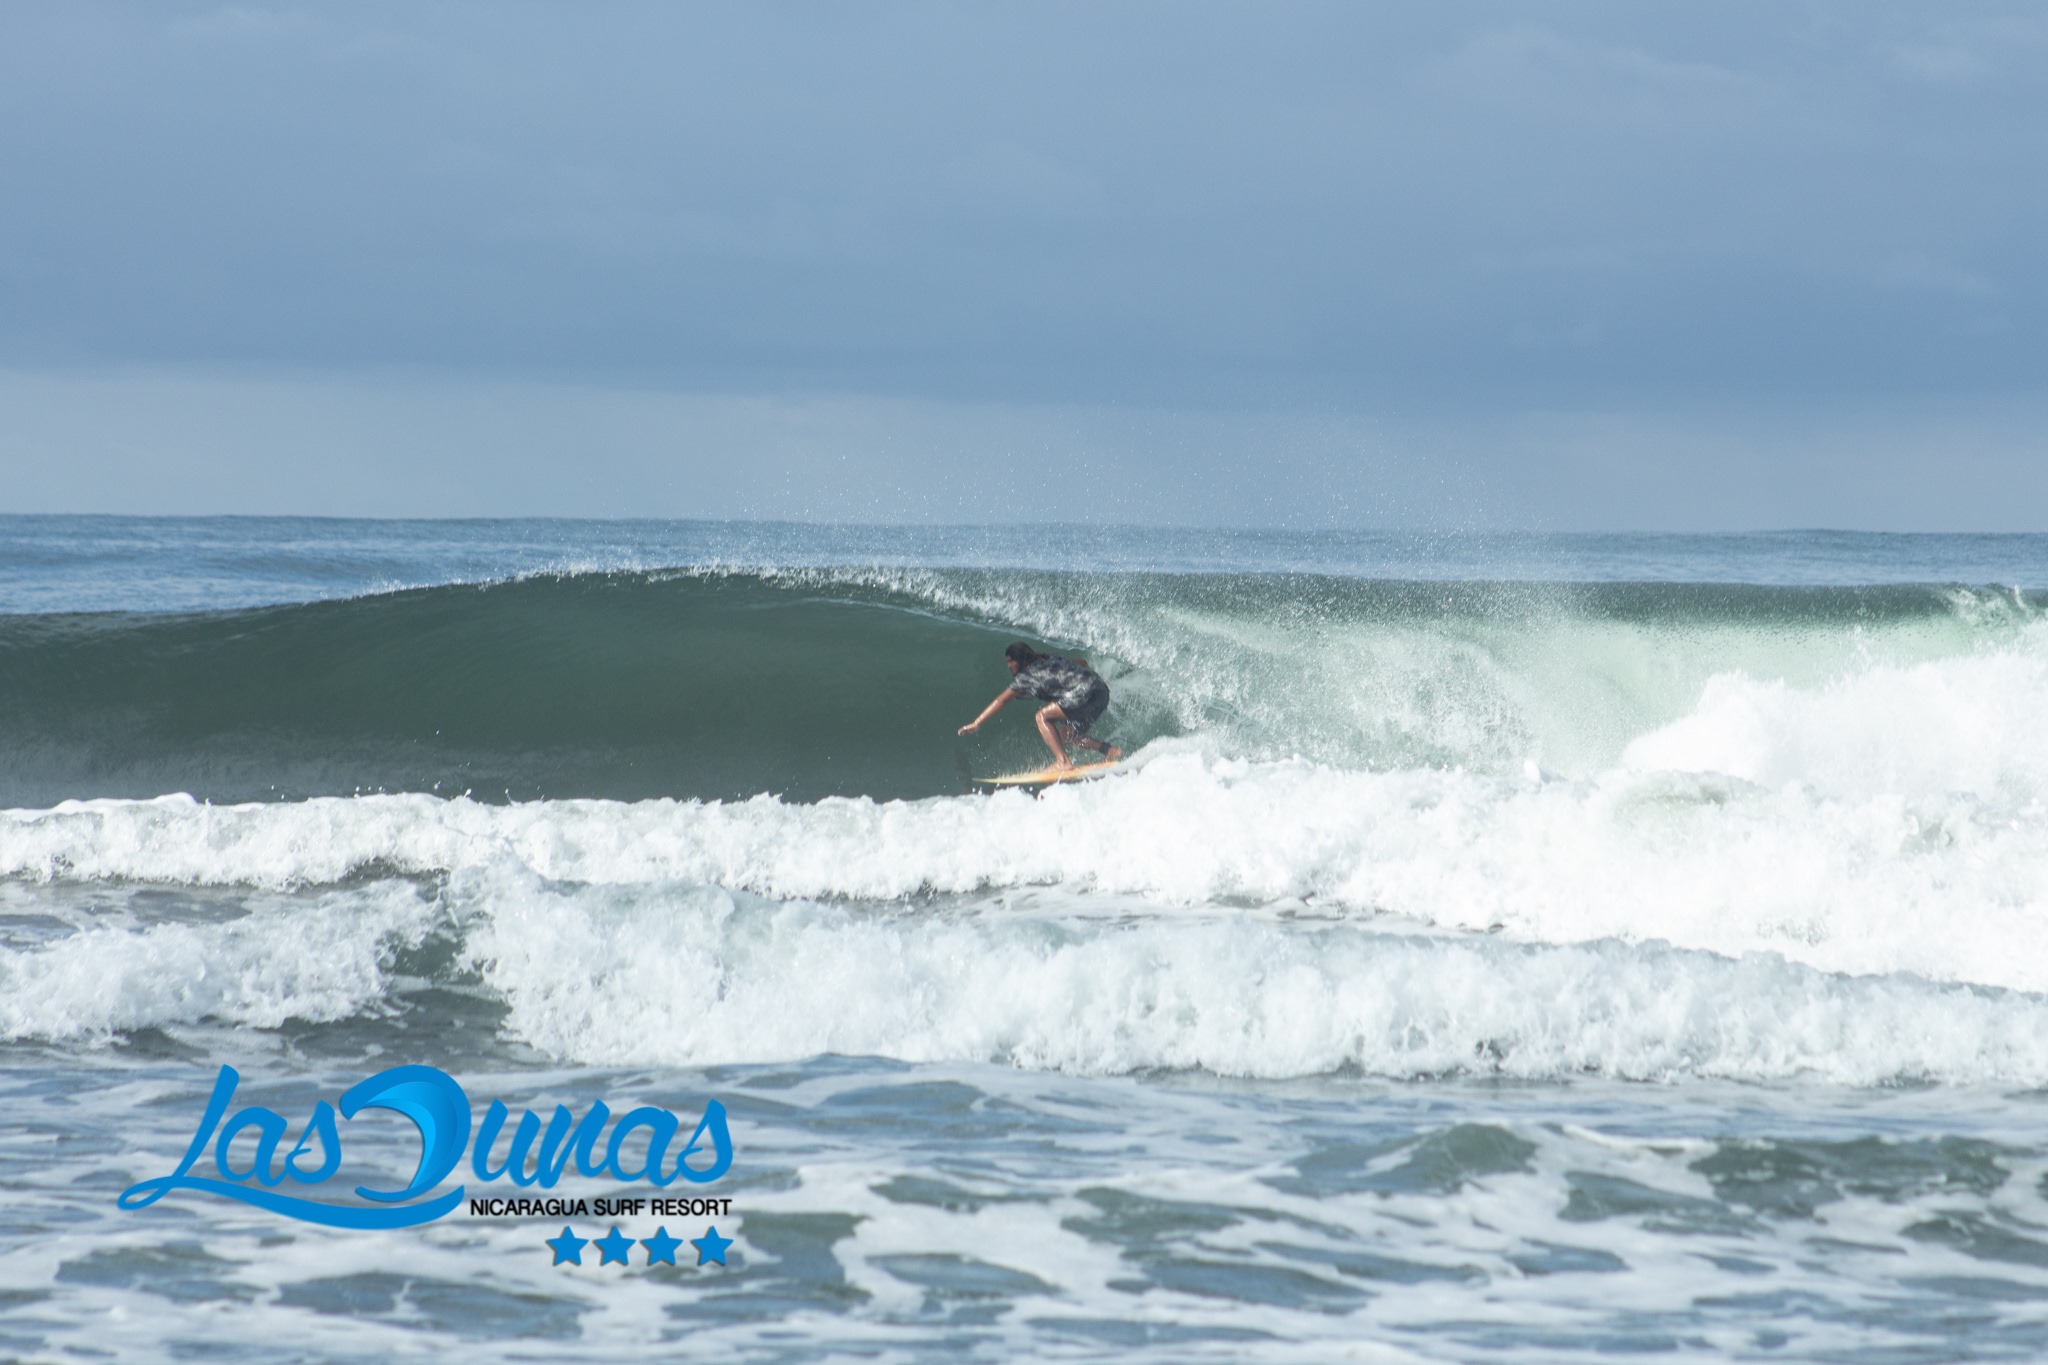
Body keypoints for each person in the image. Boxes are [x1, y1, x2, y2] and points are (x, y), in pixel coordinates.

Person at [958, 642, 1123, 770]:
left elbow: (1002, 700)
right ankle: (1110, 750)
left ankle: (1063, 762)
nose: (1009, 666)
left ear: (1020, 660)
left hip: (1081, 695)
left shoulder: (1026, 676)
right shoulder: (1050, 658)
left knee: (1041, 716)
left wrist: (977, 722)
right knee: (1068, 736)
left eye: (1010, 661)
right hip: (1101, 692)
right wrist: (1090, 684)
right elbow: (1082, 662)